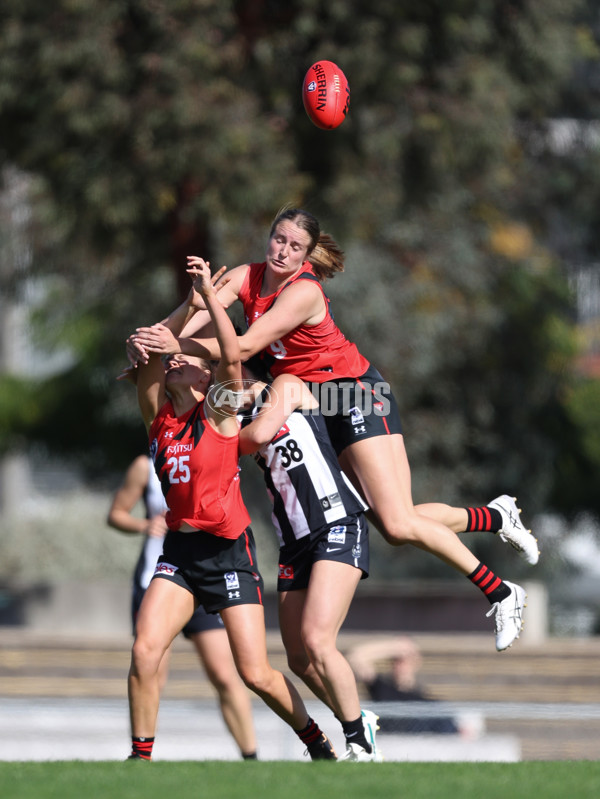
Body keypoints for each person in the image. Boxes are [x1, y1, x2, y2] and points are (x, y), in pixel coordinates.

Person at [127, 208, 539, 653]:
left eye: (295, 246)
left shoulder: (303, 291)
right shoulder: (247, 276)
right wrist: (149, 340)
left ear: (306, 255)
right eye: (279, 240)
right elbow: (189, 319)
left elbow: (240, 347)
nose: (283, 251)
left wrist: (175, 343)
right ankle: (497, 517)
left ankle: (501, 592)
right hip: (316, 403)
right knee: (390, 522)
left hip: (354, 396)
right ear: (269, 238)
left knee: (398, 522)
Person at [124, 257, 336, 761]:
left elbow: (232, 361)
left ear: (204, 382)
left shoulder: (216, 412)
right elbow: (157, 346)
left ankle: (318, 743)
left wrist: (212, 312)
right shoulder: (159, 419)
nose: (181, 361)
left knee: (255, 673)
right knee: (144, 650)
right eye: (179, 361)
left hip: (228, 554)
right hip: (180, 551)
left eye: (191, 362)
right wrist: (192, 301)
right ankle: (140, 757)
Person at [237, 362, 381, 761]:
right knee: (299, 658)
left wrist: (220, 437)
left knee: (318, 639)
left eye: (222, 363)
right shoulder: (231, 413)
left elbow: (260, 435)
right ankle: (357, 719)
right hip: (293, 541)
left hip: (336, 523)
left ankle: (360, 743)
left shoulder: (286, 386)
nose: (218, 373)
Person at [107, 453, 258, 759]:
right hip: (158, 579)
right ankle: (141, 755)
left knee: (225, 675)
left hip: (204, 579)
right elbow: (116, 514)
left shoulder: (210, 450)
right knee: (149, 670)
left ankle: (251, 758)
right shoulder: (144, 466)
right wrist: (143, 524)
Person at [346, 637, 470, 736]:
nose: (400, 664)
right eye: (396, 659)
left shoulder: (427, 702)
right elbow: (356, 657)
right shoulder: (382, 688)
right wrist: (394, 647)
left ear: (416, 661)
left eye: (405, 659)